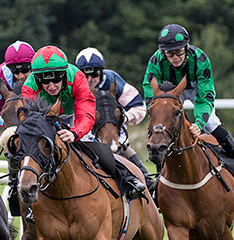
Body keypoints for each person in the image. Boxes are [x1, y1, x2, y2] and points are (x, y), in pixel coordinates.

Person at [20, 45, 146, 200]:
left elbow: (86, 114)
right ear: (37, 79)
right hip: (45, 118)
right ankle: (17, 190)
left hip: (74, 115)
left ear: (64, 75)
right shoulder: (29, 85)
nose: (51, 86)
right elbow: (34, 120)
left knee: (93, 145)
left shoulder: (77, 77)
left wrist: (74, 133)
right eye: (45, 82)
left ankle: (128, 179)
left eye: (56, 79)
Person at [142, 23, 234, 182]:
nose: (175, 57)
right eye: (170, 53)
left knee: (211, 123)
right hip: (171, 93)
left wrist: (199, 123)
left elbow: (205, 96)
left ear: (186, 48)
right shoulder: (156, 60)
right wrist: (154, 109)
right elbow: (149, 88)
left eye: (179, 51)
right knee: (161, 123)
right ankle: (160, 172)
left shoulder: (200, 59)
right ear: (163, 52)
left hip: (197, 89)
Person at [74, 47, 152, 182]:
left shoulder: (113, 80)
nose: (90, 79)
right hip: (85, 133)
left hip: (115, 135)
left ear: (102, 71)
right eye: (85, 75)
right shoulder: (73, 85)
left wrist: (124, 118)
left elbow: (138, 107)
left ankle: (146, 181)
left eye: (94, 74)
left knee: (125, 152)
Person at [0, 40, 36, 127]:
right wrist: (9, 124)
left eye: (24, 70)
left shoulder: (43, 70)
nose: (21, 76)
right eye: (15, 71)